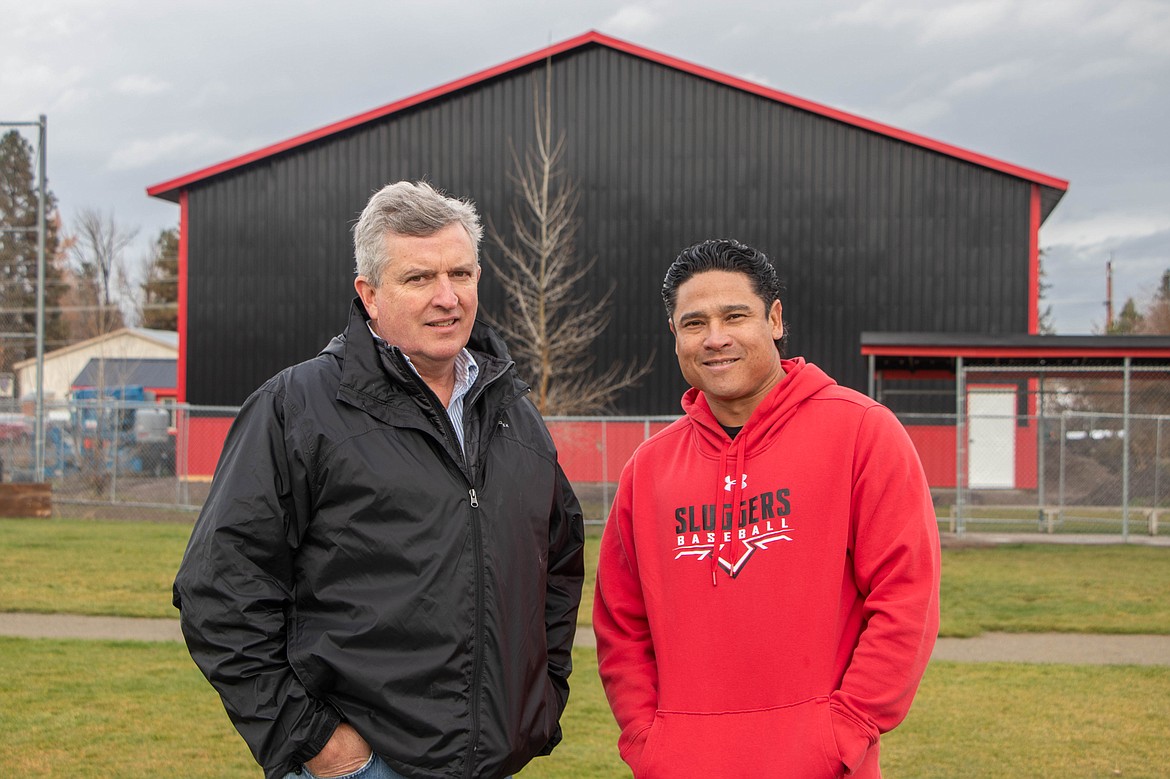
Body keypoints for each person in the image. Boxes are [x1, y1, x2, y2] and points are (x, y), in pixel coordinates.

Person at [173, 180, 585, 779]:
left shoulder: (513, 413)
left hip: (493, 762)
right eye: (419, 279)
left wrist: (540, 701)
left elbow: (558, 562)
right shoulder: (298, 408)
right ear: (369, 294)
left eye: (462, 275)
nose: (448, 298)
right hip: (363, 767)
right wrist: (321, 744)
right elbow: (219, 590)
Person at [593, 238, 940, 778]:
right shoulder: (648, 469)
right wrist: (648, 740)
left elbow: (905, 596)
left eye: (736, 316)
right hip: (682, 765)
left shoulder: (861, 432)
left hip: (822, 764)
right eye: (694, 323)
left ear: (775, 319)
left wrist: (844, 729)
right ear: (674, 334)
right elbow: (621, 624)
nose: (716, 339)